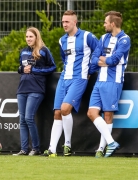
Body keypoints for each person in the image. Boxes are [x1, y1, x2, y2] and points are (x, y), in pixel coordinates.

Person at [41, 10, 98, 157]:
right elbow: (64, 58)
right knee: (57, 112)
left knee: (65, 109)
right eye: (63, 22)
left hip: (79, 78)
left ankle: (67, 144)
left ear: (75, 22)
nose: (64, 24)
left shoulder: (87, 36)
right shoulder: (62, 40)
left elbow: (99, 52)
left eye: (67, 22)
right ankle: (52, 150)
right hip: (64, 78)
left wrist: (90, 70)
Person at [87, 11, 131, 158]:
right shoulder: (104, 37)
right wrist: (105, 60)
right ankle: (111, 142)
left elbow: (115, 60)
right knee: (91, 113)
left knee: (107, 115)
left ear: (113, 24)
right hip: (100, 81)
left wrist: (103, 60)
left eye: (106, 22)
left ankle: (101, 149)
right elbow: (94, 59)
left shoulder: (124, 39)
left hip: (114, 81)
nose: (104, 25)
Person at [13, 27, 56, 156]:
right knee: (22, 120)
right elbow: (20, 68)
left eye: (30, 37)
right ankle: (24, 149)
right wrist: (22, 69)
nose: (28, 39)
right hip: (22, 88)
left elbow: (52, 67)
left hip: (36, 89)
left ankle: (36, 148)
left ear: (36, 37)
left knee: (29, 118)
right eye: (26, 37)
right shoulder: (23, 51)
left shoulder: (44, 51)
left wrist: (35, 71)